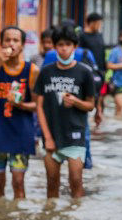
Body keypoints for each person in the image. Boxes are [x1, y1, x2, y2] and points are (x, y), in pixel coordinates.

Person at [33, 25, 96, 198]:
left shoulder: (85, 72)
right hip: (51, 135)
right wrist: (47, 137)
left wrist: (76, 101)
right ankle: (52, 219)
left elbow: (91, 105)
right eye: (60, 44)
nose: (64, 48)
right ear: (54, 47)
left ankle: (76, 219)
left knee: (76, 181)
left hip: (75, 135)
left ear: (75, 46)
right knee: (52, 183)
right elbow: (39, 106)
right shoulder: (46, 72)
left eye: (68, 44)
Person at [0, 26, 40, 199]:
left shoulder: (32, 70)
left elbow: (38, 105)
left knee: (18, 182)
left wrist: (20, 105)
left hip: (21, 133)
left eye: (16, 40)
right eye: (7, 40)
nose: (11, 44)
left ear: (22, 46)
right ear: (1, 43)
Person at [79, 13, 107, 124]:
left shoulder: (99, 35)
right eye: (98, 23)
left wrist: (105, 70)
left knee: (100, 96)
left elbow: (103, 52)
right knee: (89, 96)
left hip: (100, 70)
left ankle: (98, 117)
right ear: (91, 23)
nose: (99, 26)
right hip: (88, 70)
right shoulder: (82, 36)